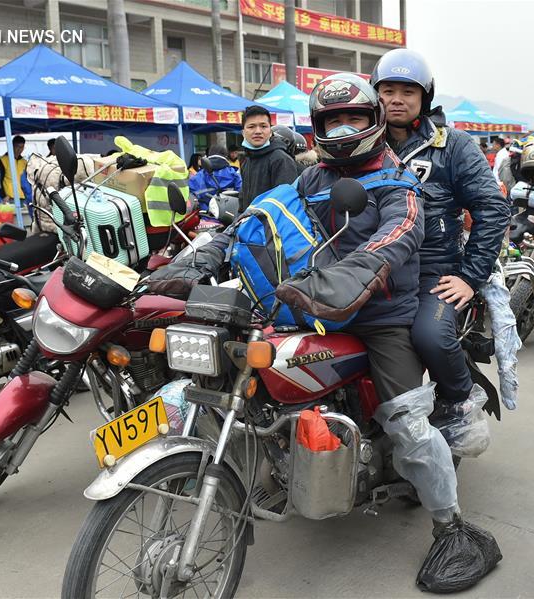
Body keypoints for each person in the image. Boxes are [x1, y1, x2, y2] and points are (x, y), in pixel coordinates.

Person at [181, 72, 499, 592]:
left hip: (379, 320)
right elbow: (256, 218)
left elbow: (395, 237)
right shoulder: (310, 179)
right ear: (318, 126)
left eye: (354, 116)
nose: (345, 127)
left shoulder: (400, 184)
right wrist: (199, 260)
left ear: (373, 121)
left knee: (409, 425)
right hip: (307, 306)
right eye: (334, 119)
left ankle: (451, 525)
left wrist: (340, 282)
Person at [373, 48, 510, 425]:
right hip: (370, 272)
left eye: (407, 92)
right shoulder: (361, 143)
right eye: (387, 91)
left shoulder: (453, 146)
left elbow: (493, 208)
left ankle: (459, 406)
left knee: (431, 338)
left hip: (431, 275)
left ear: (424, 98)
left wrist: (470, 276)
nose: (396, 100)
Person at [237, 105, 297, 211]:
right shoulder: (246, 160)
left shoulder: (280, 159)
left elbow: (286, 204)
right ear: (243, 133)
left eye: (263, 126)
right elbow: (242, 201)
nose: (258, 131)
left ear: (270, 131)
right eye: (251, 127)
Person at [187, 144, 242, 211]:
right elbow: (241, 196)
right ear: (226, 156)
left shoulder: (197, 176)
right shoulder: (234, 174)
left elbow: (192, 200)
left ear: (209, 155)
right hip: (229, 216)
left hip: (205, 218)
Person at [0, 135, 32, 214]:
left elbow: (28, 180)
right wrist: (3, 195)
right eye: (17, 147)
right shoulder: (2, 160)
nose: (19, 150)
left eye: (22, 147)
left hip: (23, 198)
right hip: (9, 198)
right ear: (12, 146)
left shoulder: (24, 162)